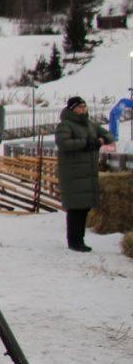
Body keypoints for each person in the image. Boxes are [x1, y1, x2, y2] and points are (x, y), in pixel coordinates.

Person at [55, 96, 113, 252]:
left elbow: (109, 135)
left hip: (87, 173)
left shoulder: (90, 124)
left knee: (84, 208)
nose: (83, 109)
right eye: (80, 107)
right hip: (73, 173)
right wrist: (86, 143)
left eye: (84, 106)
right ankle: (74, 241)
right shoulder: (65, 125)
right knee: (76, 208)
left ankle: (79, 240)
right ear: (72, 109)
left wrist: (100, 140)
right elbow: (63, 143)